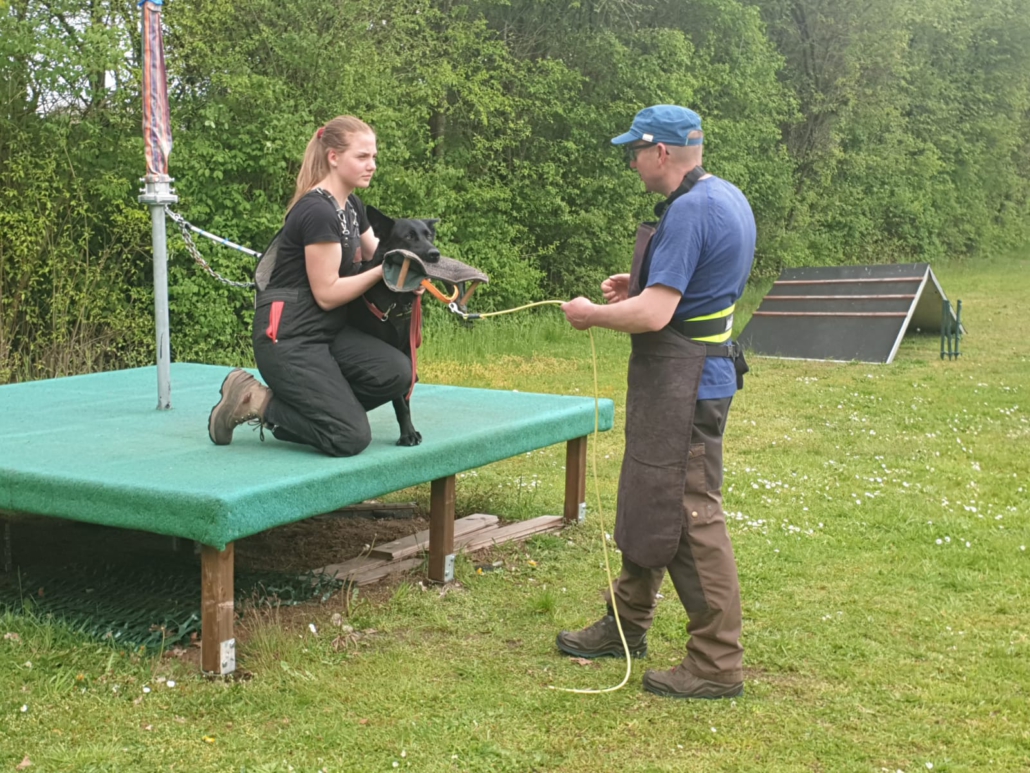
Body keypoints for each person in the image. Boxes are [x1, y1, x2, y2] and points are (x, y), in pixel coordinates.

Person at [557, 105, 756, 699]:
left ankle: (716, 663)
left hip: (685, 385)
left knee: (691, 515)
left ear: (661, 152)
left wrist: (593, 314)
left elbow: (655, 315)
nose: (633, 163)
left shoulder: (692, 209)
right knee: (650, 496)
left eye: (636, 152)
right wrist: (638, 284)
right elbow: (697, 287)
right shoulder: (723, 195)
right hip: (684, 378)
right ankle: (626, 624)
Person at [207, 115, 412, 456]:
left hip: (328, 333)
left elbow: (378, 255)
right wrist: (385, 273)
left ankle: (321, 413)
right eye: (362, 156)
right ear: (334, 157)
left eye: (374, 157)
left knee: (395, 372)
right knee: (350, 437)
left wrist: (411, 273)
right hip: (288, 338)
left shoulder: (352, 206)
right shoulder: (318, 212)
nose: (372, 165)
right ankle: (256, 400)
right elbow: (328, 294)